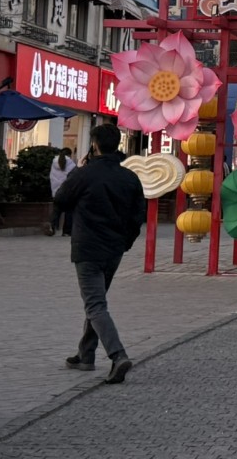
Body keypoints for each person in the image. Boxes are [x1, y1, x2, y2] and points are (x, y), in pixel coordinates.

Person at [53, 124, 146, 385]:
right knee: (97, 301)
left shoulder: (85, 174)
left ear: (94, 145)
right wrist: (126, 242)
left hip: (88, 248)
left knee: (95, 304)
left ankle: (118, 355)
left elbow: (61, 198)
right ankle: (86, 354)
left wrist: (81, 171)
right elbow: (138, 215)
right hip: (114, 249)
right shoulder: (129, 177)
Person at [44, 147, 77, 236]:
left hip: (56, 191)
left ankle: (51, 226)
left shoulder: (54, 162)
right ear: (69, 154)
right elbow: (74, 177)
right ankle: (67, 231)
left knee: (56, 210)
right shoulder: (71, 163)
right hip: (67, 191)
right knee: (69, 211)